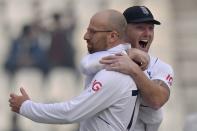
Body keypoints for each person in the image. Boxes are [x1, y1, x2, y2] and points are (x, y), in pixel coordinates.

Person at [9, 9, 143, 131]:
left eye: (93, 32)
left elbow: (71, 113)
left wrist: (26, 107)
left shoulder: (114, 71)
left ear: (112, 36)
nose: (85, 36)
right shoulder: (111, 63)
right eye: (87, 30)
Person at [81, 6, 174, 131]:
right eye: (140, 28)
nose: (147, 33)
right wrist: (126, 54)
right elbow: (86, 65)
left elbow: (157, 100)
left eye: (151, 28)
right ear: (123, 31)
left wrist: (133, 69)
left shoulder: (161, 67)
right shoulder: (103, 54)